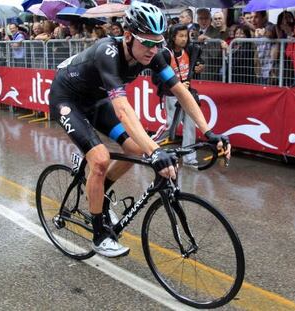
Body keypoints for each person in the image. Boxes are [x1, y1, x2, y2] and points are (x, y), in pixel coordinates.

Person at [49, 1, 230, 258]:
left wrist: (209, 132)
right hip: (67, 99)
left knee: (136, 150)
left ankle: (101, 194)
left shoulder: (154, 55)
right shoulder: (107, 53)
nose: (153, 49)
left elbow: (181, 92)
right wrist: (155, 151)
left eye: (157, 43)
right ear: (127, 36)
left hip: (96, 100)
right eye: (146, 42)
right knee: (100, 159)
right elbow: (123, 109)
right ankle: (100, 235)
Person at [152, 24, 205, 168]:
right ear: (173, 37)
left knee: (190, 125)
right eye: (180, 36)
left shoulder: (191, 49)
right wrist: (175, 85)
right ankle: (149, 147)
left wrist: (199, 67)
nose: (183, 39)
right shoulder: (164, 53)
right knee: (170, 126)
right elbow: (155, 79)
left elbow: (198, 63)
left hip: (188, 95)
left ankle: (189, 158)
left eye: (186, 36)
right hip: (171, 95)